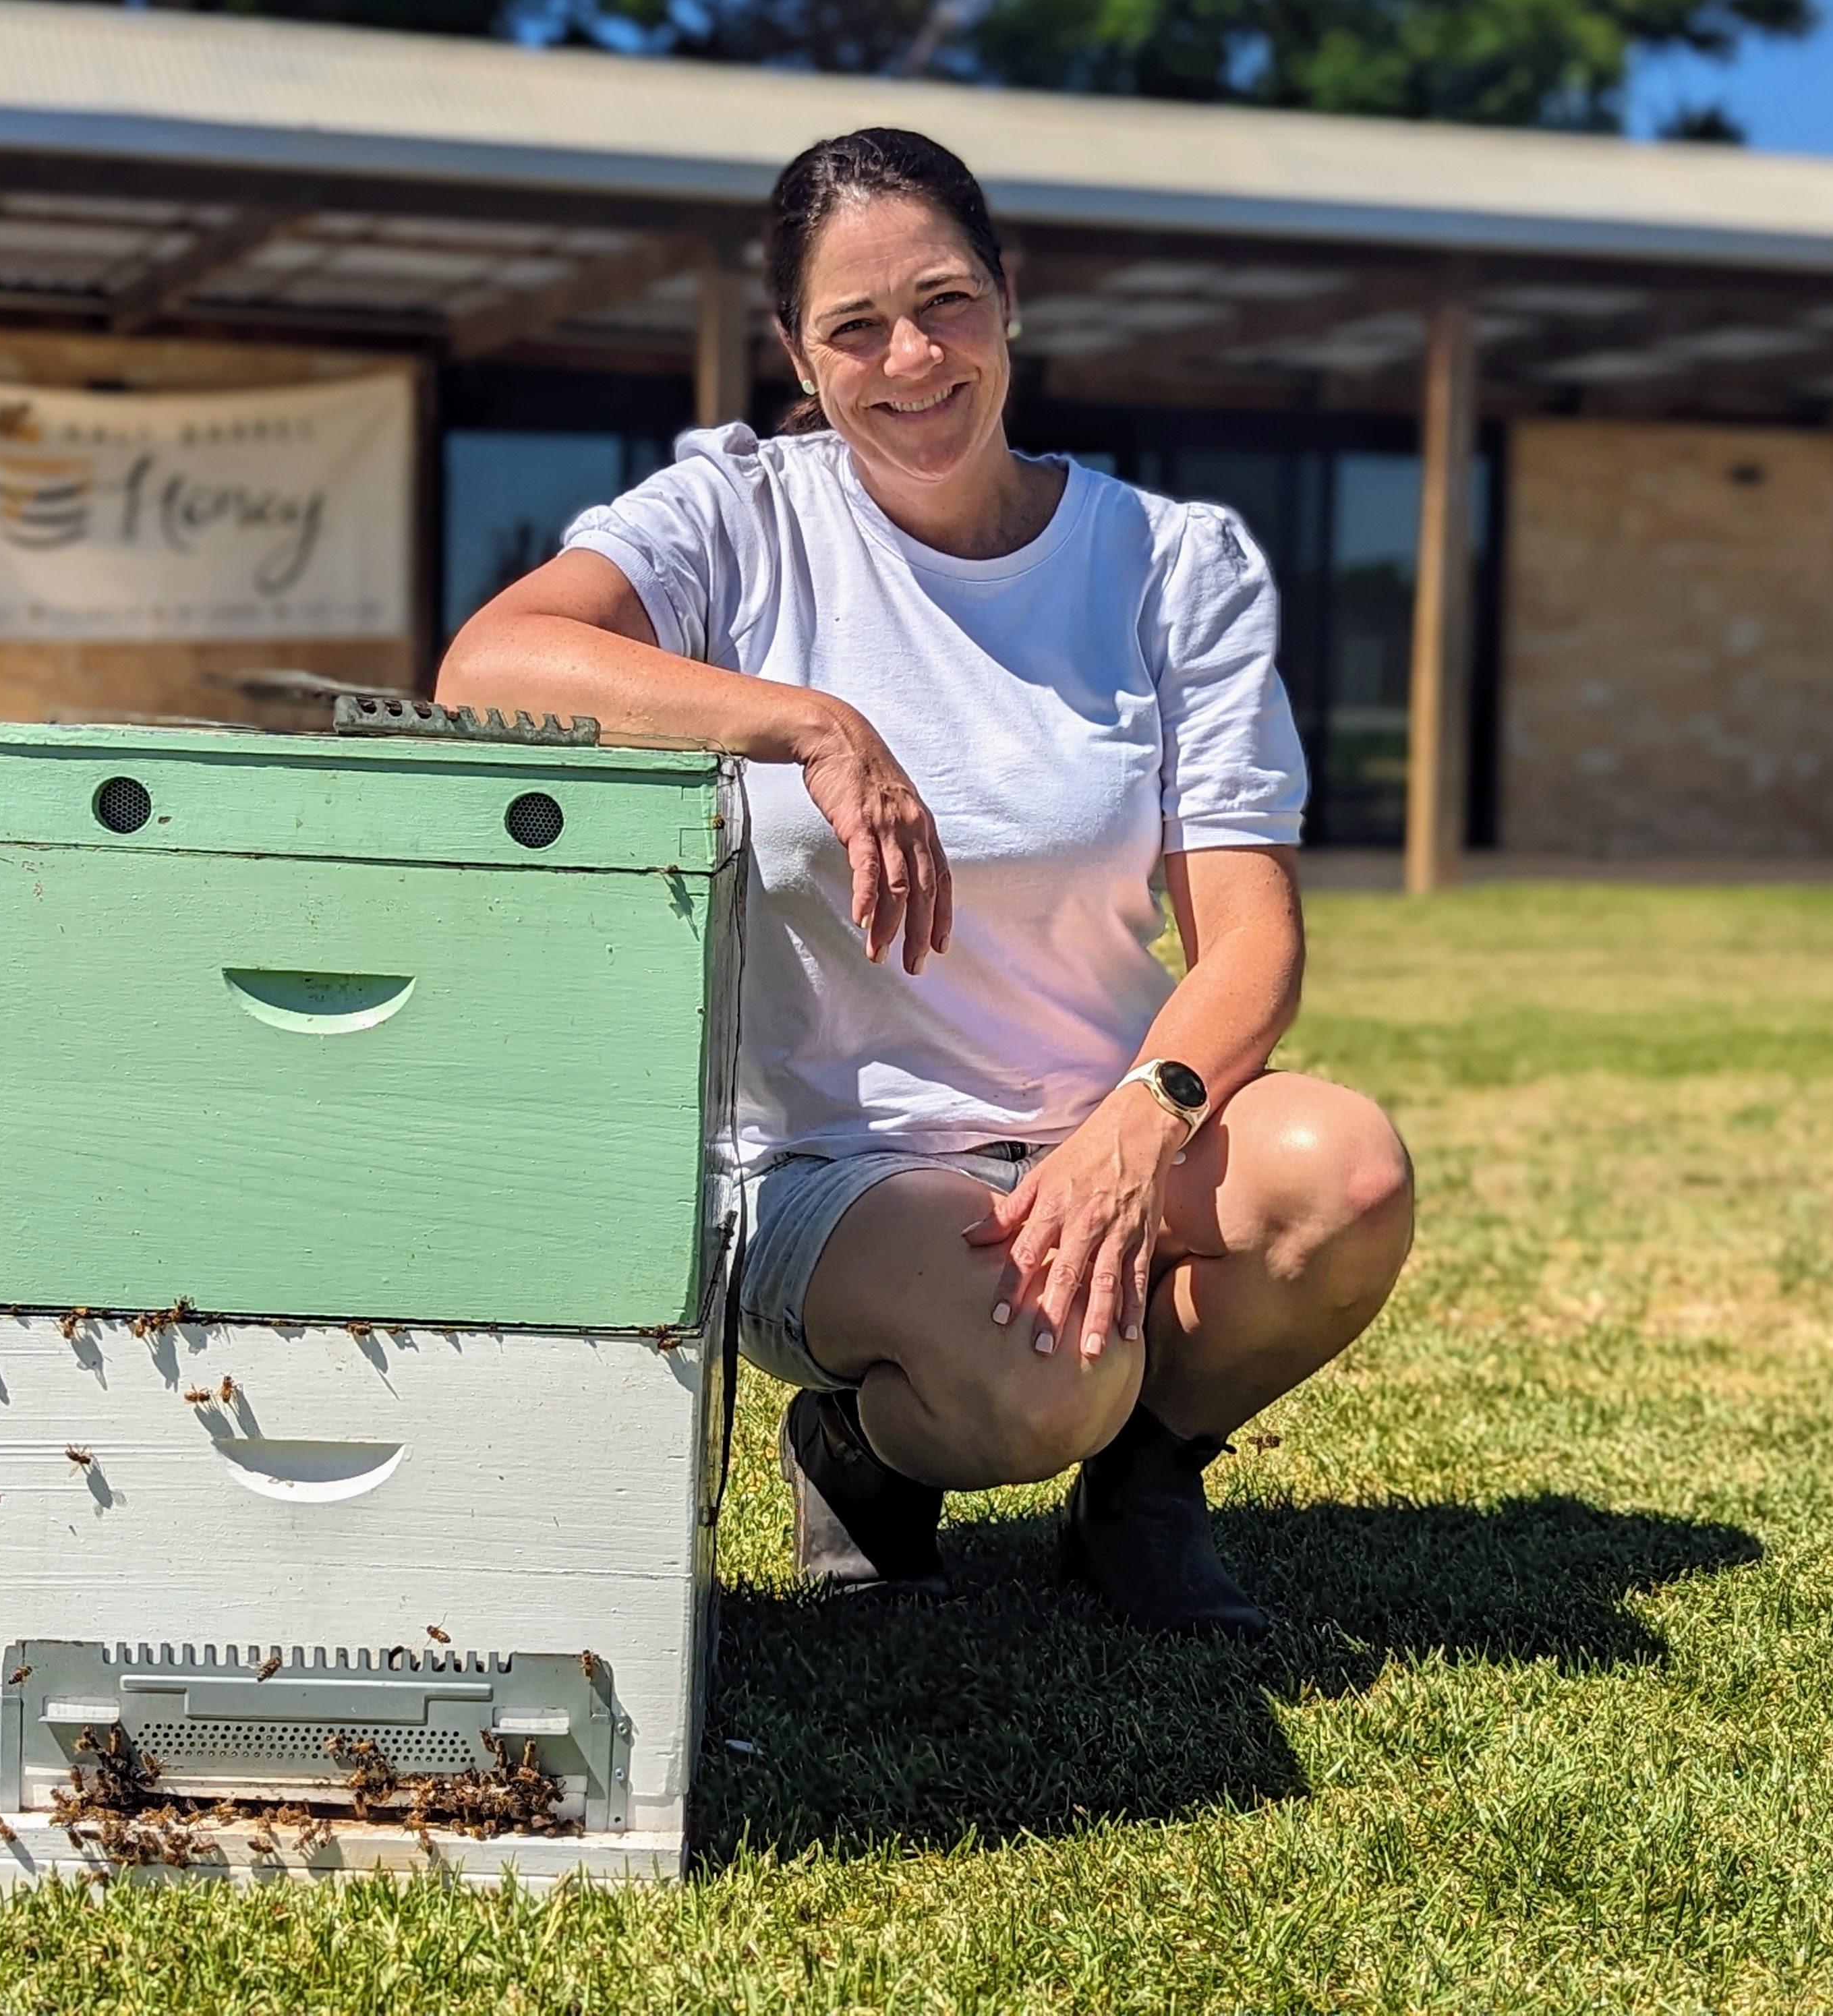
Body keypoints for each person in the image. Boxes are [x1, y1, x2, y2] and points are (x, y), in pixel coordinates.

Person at [439, 128, 1415, 1637]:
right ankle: (860, 1445)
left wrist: (1136, 1121)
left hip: (1106, 1118)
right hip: (837, 1166)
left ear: (1008, 298)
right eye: (856, 327)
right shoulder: (738, 519)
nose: (914, 357)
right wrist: (810, 722)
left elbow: (1251, 947)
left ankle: (1143, 1489)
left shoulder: (1167, 563)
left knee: (1341, 1177)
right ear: (798, 352)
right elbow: (487, 666)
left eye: (947, 300)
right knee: (1040, 1381)